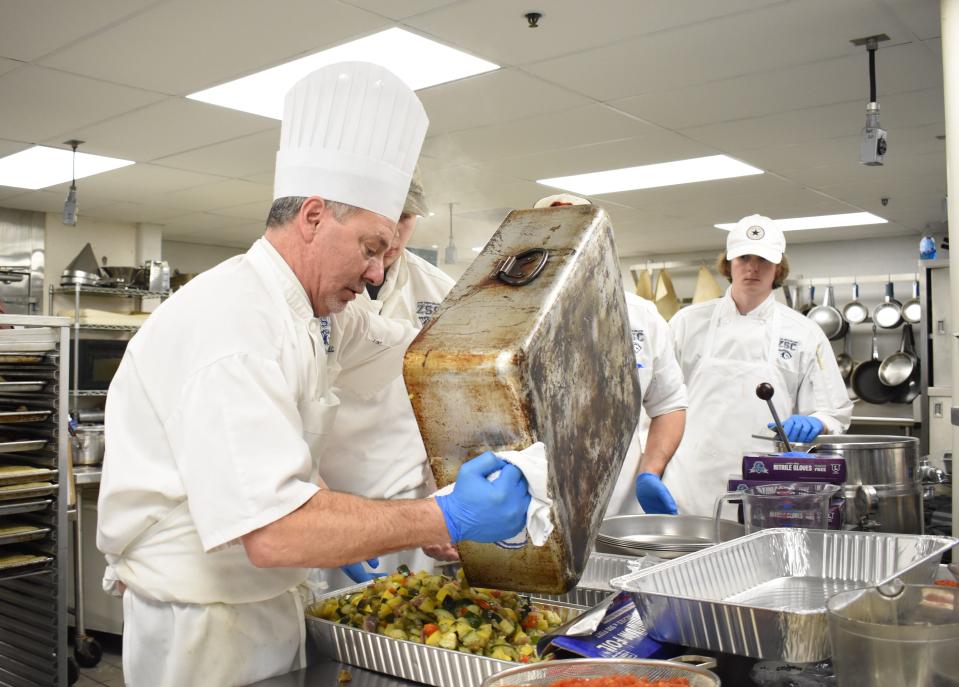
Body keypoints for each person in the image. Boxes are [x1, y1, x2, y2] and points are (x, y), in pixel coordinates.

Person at [96, 62, 531, 687]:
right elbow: (274, 532)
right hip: (201, 628)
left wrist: (521, 304)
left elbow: (418, 352)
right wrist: (444, 518)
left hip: (266, 603)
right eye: (373, 247)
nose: (381, 273)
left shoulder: (313, 312)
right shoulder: (232, 326)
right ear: (314, 216)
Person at [316, 168, 457, 588]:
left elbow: (446, 401)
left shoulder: (441, 291)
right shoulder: (315, 290)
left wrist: (445, 494)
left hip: (412, 511)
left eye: (406, 220)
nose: (393, 236)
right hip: (321, 508)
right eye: (383, 220)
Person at [662, 214, 853, 516]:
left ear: (778, 268)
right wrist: (650, 468)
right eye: (743, 258)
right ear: (728, 264)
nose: (752, 267)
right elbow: (657, 401)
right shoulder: (687, 323)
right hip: (688, 483)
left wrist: (818, 421)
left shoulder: (804, 333)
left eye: (763, 259)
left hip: (766, 484)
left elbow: (834, 410)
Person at [533, 194, 687, 515]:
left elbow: (669, 404)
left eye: (579, 228)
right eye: (553, 231)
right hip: (529, 508)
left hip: (617, 510)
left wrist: (650, 470)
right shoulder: (507, 317)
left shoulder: (641, 316)